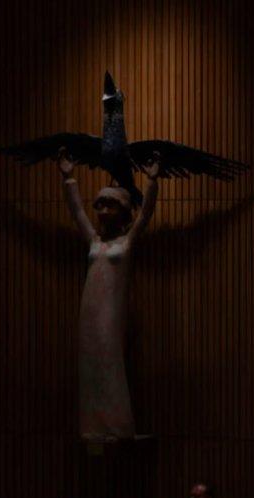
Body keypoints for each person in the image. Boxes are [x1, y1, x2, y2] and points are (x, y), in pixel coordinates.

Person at [56, 147, 160, 439]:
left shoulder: (126, 244)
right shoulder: (94, 242)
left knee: (109, 362)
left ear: (125, 212)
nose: (102, 211)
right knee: (90, 365)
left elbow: (147, 214)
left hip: (111, 314)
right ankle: (92, 425)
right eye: (99, 205)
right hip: (88, 312)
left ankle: (117, 424)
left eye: (109, 205)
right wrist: (68, 178)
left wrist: (151, 182)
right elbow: (77, 212)